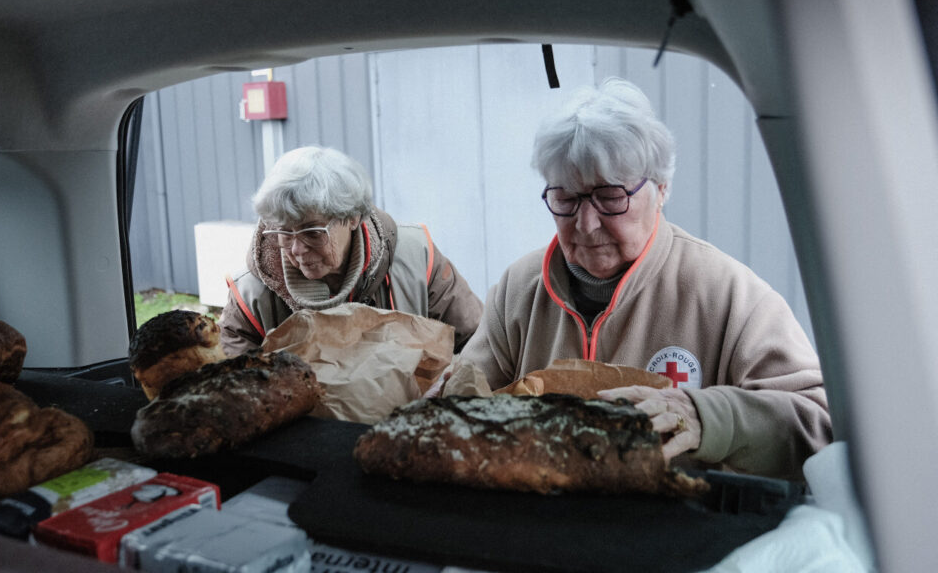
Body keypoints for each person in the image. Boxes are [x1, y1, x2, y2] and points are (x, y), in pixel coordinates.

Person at [457, 78, 832, 479]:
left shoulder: (731, 297)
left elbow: (818, 425)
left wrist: (709, 417)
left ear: (662, 188)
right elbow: (460, 404)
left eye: (610, 197)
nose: (586, 224)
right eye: (566, 199)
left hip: (681, 518)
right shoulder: (519, 290)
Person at [219, 145, 483, 358]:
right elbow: (230, 375)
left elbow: (478, 344)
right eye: (284, 233)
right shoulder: (251, 292)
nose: (297, 249)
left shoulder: (416, 258)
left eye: (313, 232)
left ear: (353, 218)